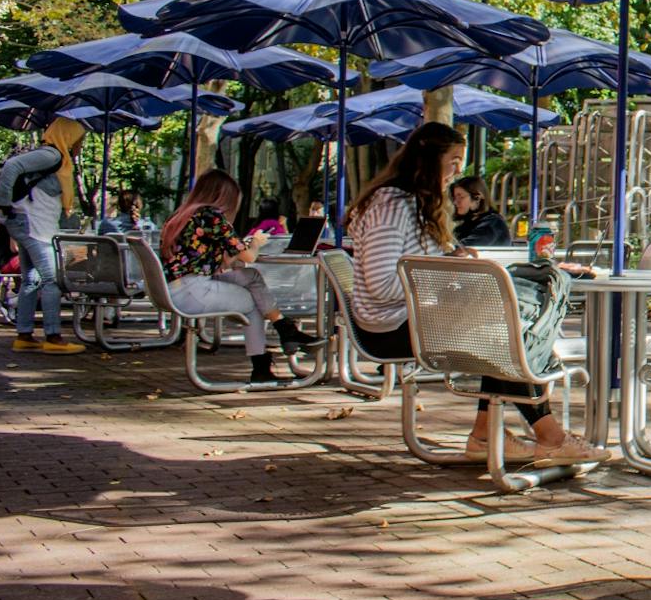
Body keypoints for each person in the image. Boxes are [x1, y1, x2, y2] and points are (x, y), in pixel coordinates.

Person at [346, 122, 603, 465]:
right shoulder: (392, 205)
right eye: (453, 161)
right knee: (505, 335)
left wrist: (450, 264)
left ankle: (487, 435)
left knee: (508, 327)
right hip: (390, 327)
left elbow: (414, 269)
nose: (457, 171)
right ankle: (549, 437)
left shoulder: (412, 204)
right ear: (428, 159)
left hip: (413, 319)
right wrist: (450, 277)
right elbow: (381, 285)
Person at [160, 170, 321, 385]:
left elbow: (213, 259)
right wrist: (256, 242)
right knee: (253, 300)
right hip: (194, 291)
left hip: (178, 288)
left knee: (251, 277)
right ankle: (262, 365)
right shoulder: (211, 216)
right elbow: (248, 255)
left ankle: (284, 329)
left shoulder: (182, 215)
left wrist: (232, 257)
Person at [0, 117, 90, 354]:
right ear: (68, 136)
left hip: (34, 224)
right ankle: (53, 338)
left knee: (31, 279)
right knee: (51, 279)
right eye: (79, 139)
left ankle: (24, 335)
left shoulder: (58, 159)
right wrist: (2, 203)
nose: (80, 145)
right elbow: (13, 166)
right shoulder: (52, 155)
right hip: (32, 225)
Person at [450, 176, 512, 247]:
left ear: (477, 198)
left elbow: (465, 248)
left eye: (461, 197)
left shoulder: (492, 223)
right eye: (454, 198)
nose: (455, 202)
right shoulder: (467, 222)